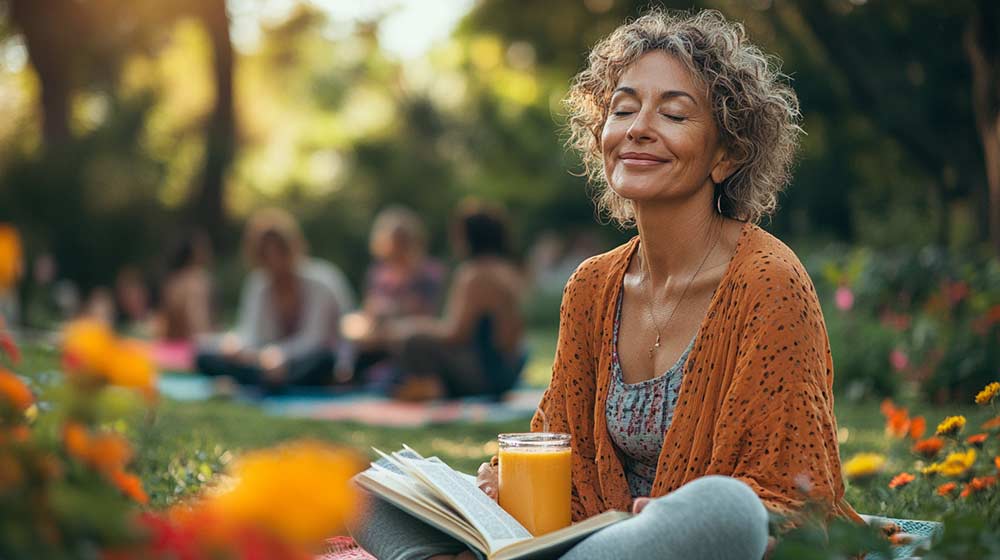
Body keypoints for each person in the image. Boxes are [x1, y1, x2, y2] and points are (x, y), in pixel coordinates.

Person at [351, 9, 860, 560]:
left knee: (728, 510)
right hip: (590, 538)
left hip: (673, 540)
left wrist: (669, 513)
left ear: (727, 153)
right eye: (622, 109)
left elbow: (791, 496)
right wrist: (498, 480)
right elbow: (557, 442)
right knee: (363, 485)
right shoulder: (591, 286)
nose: (638, 126)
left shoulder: (768, 282)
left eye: (673, 113)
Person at [383, 200, 525, 401]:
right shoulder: (508, 271)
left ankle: (430, 388)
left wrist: (411, 327)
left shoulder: (475, 275)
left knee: (411, 340)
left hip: (484, 376)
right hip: (508, 373)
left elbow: (456, 334)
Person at [195, 209, 344, 392]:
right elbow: (252, 335)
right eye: (266, 254)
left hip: (311, 359)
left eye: (279, 251)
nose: (274, 260)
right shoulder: (258, 284)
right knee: (204, 355)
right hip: (267, 360)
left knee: (322, 361)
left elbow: (314, 340)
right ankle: (269, 380)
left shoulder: (321, 281)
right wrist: (236, 346)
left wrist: (279, 354)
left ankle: (262, 380)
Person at [343, 206, 445, 382]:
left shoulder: (430, 273)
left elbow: (431, 317)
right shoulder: (378, 274)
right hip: (378, 340)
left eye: (403, 240)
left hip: (411, 342)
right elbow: (368, 312)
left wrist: (394, 314)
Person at [157, 230, 214, 342]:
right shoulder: (197, 281)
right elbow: (198, 326)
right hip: (188, 349)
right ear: (196, 253)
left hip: (170, 346)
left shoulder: (172, 281)